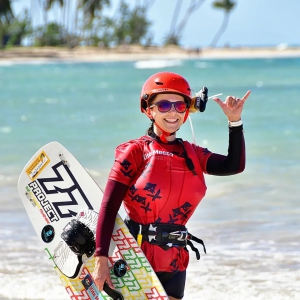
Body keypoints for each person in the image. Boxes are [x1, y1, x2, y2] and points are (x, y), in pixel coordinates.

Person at [93, 71, 251, 300]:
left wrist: (235, 122)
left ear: (187, 111)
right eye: (164, 105)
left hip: (175, 261)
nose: (173, 112)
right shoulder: (135, 151)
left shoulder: (192, 153)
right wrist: (101, 258)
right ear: (149, 110)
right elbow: (109, 205)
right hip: (136, 255)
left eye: (179, 105)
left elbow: (233, 165)